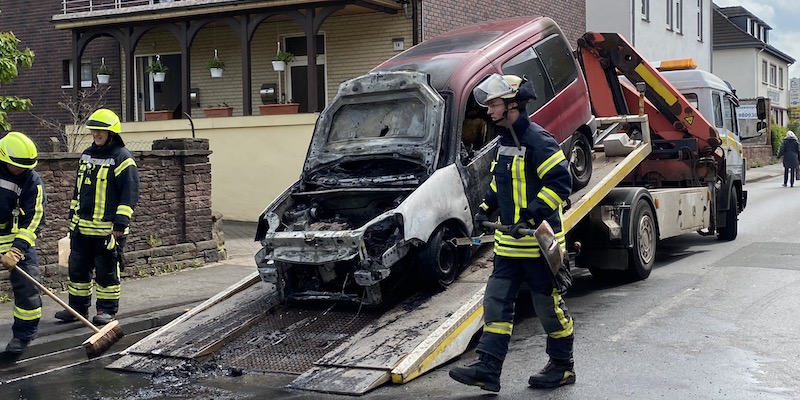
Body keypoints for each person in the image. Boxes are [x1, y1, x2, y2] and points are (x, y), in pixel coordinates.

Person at [448, 74, 575, 392]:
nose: (488, 111)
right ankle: (488, 369)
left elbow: (561, 183)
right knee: (496, 304)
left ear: (513, 105)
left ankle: (562, 367)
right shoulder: (504, 142)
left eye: (494, 104)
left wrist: (531, 214)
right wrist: (485, 208)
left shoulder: (539, 141)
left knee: (548, 308)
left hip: (539, 246)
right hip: (508, 246)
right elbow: (498, 184)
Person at [55, 108, 139, 326]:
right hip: (82, 228)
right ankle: (77, 309)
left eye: (101, 131)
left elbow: (129, 193)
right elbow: (78, 190)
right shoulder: (87, 155)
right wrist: (73, 219)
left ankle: (106, 310)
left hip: (108, 230)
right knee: (77, 270)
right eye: (94, 131)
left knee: (107, 272)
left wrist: (120, 223)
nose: (96, 135)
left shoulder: (123, 159)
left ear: (112, 133)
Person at [0, 131, 46, 355]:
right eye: (18, 166)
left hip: (16, 238)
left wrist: (17, 250)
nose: (23, 170)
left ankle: (24, 335)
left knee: (28, 287)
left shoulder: (32, 181)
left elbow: (35, 219)